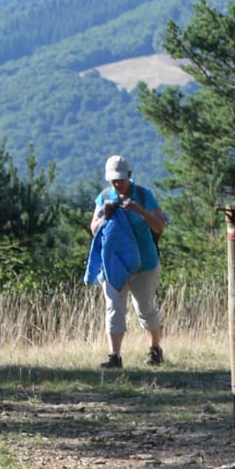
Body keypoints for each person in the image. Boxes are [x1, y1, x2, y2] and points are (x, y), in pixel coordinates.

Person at [87, 155, 166, 369]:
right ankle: (114, 356)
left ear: (129, 176)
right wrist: (105, 215)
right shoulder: (104, 197)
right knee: (114, 308)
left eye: (120, 180)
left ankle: (155, 349)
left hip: (145, 263)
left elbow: (159, 226)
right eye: (113, 180)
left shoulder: (143, 195)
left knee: (145, 308)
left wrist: (139, 211)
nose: (117, 184)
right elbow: (94, 229)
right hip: (114, 264)